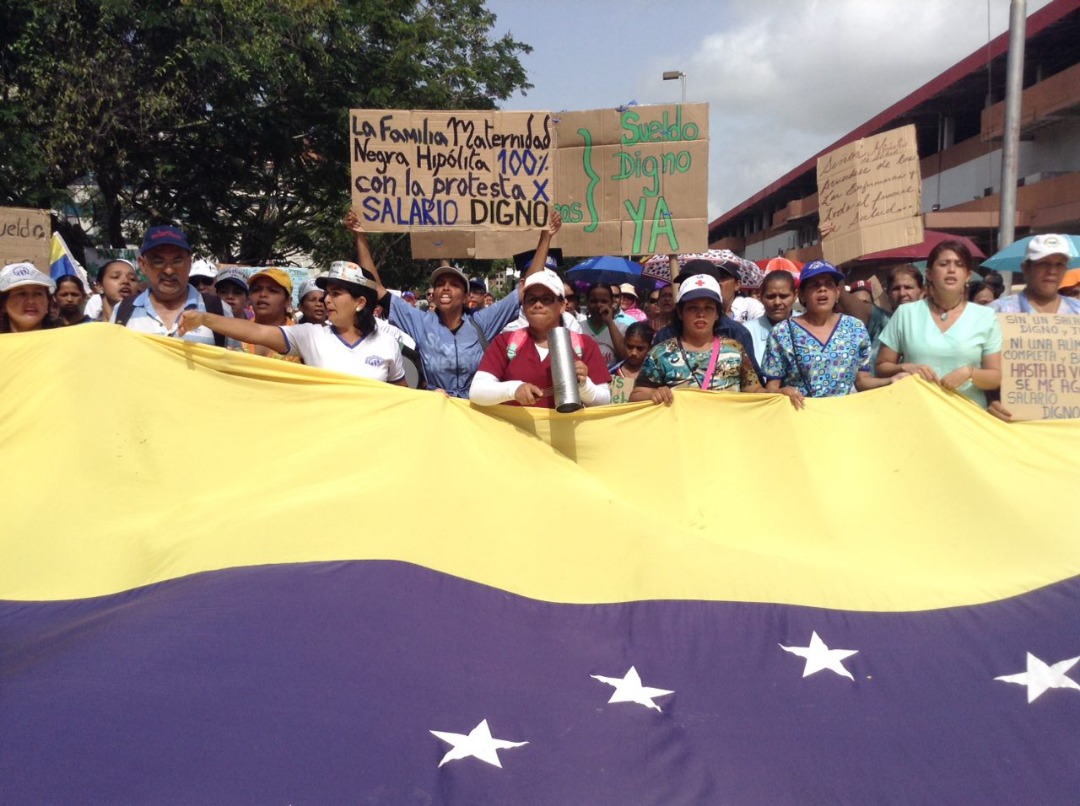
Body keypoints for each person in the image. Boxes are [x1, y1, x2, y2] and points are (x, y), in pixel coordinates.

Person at [344, 209, 561, 398]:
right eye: (440, 284)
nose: (445, 288)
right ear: (434, 294)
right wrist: (360, 236)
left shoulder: (482, 322)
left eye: (454, 284)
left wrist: (545, 237)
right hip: (436, 410)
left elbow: (527, 286)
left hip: (476, 411)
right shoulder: (420, 321)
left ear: (467, 297)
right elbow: (376, 288)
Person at [180, 261, 406, 383]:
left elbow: (401, 396)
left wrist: (430, 401)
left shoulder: (387, 344)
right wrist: (205, 318)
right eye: (327, 292)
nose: (327, 300)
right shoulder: (310, 335)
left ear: (360, 302)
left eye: (336, 293)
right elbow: (256, 331)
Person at [876, 241, 1002, 409]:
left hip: (967, 418)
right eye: (944, 264)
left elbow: (995, 377)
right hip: (914, 412)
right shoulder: (905, 314)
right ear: (929, 274)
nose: (951, 270)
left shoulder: (986, 317)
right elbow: (881, 366)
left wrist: (969, 373)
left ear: (968, 276)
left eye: (959, 265)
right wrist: (906, 367)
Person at [763, 261, 896, 409]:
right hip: (800, 418)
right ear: (801, 294)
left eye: (829, 284)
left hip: (843, 418)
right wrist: (783, 392)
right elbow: (771, 388)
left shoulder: (855, 328)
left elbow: (862, 381)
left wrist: (891, 381)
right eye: (814, 285)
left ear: (838, 292)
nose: (822, 290)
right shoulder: (782, 332)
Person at [469, 270, 611, 408]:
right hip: (514, 431)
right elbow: (477, 391)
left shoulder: (584, 345)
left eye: (546, 299)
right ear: (523, 307)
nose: (538, 304)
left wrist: (584, 386)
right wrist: (514, 390)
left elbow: (604, 400)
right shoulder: (505, 342)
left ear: (562, 305)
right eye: (531, 299)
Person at [631, 274, 761, 405]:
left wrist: (779, 395)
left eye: (708, 308)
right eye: (693, 308)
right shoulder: (660, 354)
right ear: (680, 313)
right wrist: (653, 393)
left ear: (717, 314)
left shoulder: (735, 350)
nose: (701, 314)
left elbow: (753, 391)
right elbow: (636, 395)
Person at [111, 225, 236, 348]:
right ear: (143, 265)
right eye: (158, 261)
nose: (169, 270)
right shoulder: (122, 312)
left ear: (189, 263)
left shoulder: (219, 310)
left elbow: (235, 363)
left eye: (177, 261)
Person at [653, 260, 764, 384]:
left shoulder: (737, 335)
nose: (696, 286)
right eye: (686, 282)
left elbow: (753, 387)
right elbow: (645, 388)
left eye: (708, 307)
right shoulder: (664, 339)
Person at [991, 234, 1080, 315]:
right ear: (1026, 268)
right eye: (1044, 264)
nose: (1052, 271)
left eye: (1059, 265)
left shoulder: (1077, 310)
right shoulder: (999, 310)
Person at [243, 268, 300, 362]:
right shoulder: (238, 332)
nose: (263, 294)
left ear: (288, 301)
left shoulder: (299, 338)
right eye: (256, 290)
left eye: (272, 290)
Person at [746, 270, 796, 366]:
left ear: (795, 295)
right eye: (771, 297)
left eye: (783, 296)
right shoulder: (747, 332)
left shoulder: (809, 327)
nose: (777, 302)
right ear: (761, 297)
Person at [0, 263, 59, 333]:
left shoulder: (67, 340)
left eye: (38, 294)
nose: (31, 301)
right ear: (3, 304)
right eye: (21, 294)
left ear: (48, 302)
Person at [582, 283, 628, 367]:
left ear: (612, 303)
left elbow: (624, 357)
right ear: (587, 303)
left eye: (604, 301)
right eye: (594, 301)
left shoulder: (621, 328)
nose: (599, 305)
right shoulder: (578, 328)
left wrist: (610, 323)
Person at [608, 321, 654, 404]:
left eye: (640, 348)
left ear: (650, 348)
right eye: (630, 346)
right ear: (624, 343)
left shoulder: (655, 376)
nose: (634, 353)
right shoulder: (610, 373)